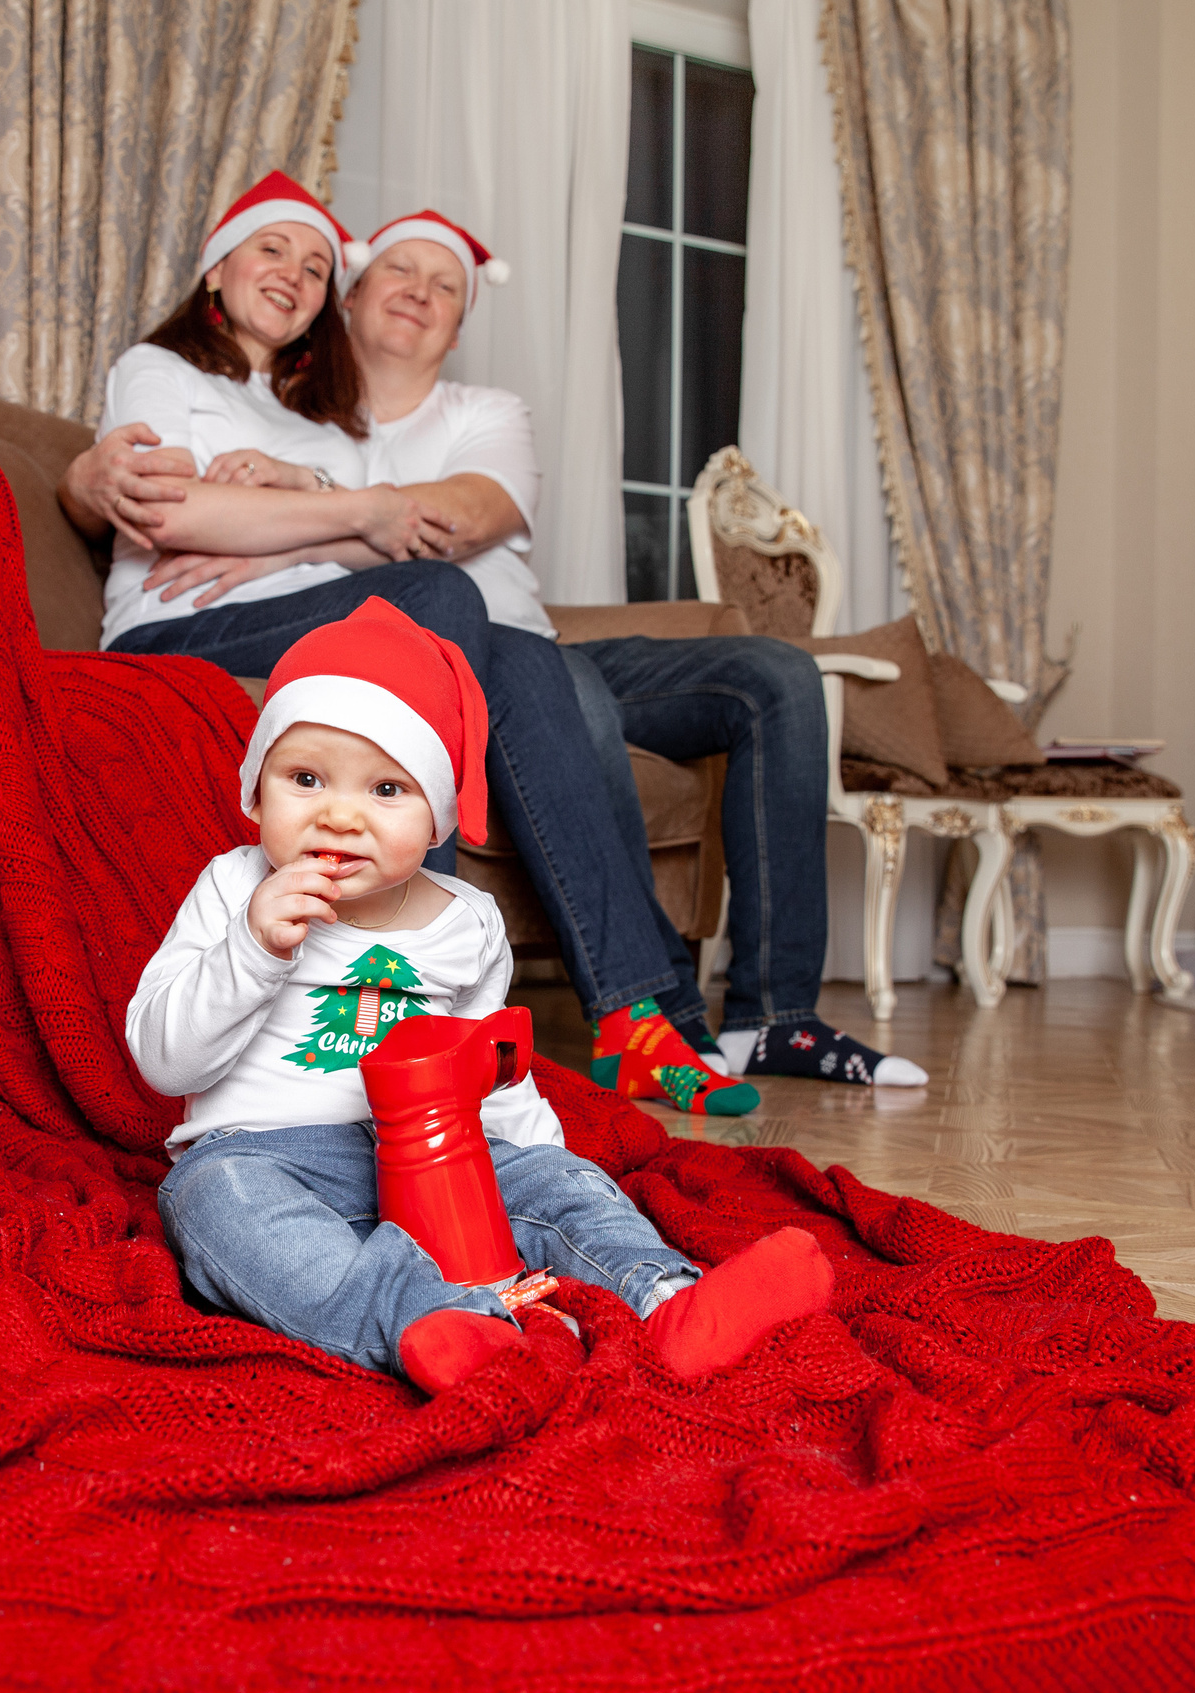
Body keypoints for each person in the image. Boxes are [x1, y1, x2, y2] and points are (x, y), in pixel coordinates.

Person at [72, 206, 927, 1091]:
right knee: (487, 633)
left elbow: (425, 525)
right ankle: (477, 989)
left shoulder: (391, 419)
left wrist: (292, 521)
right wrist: (105, 484)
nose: (419, 294)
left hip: (482, 630)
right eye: (396, 272)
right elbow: (167, 502)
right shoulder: (280, 402)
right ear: (351, 301)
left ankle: (703, 1018)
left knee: (721, 668)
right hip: (295, 625)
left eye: (446, 285)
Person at [128, 599, 834, 1394]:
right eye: (305, 778)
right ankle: (436, 1323)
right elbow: (163, 1058)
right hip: (267, 1155)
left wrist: (546, 1169)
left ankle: (669, 1300)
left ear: (439, 820)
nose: (338, 814)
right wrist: (252, 947)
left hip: (438, 1163)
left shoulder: (467, 922)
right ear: (256, 795)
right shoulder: (232, 889)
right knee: (210, 1201)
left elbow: (496, 1078)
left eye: (387, 788)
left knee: (557, 1181)